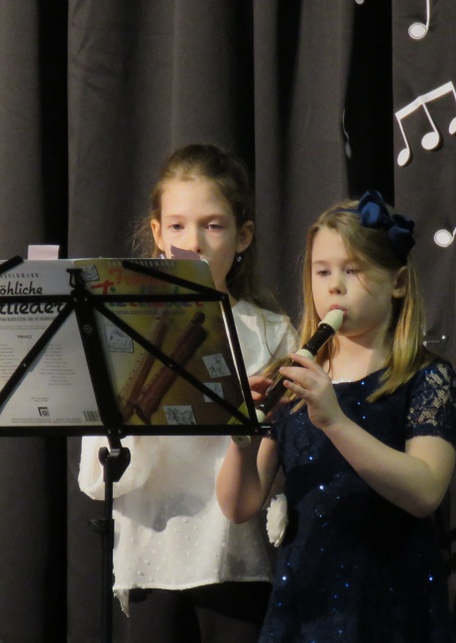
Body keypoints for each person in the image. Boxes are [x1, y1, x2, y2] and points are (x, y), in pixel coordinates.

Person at [216, 191, 456, 642]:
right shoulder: (292, 376)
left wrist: (334, 421)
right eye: (322, 271)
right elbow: (239, 507)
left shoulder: (427, 377)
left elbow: (426, 490)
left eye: (353, 270)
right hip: (302, 612)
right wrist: (242, 436)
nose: (334, 286)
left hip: (391, 612)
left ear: (398, 283)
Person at [78, 144, 297, 642]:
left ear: (243, 236)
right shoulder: (124, 329)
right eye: (176, 226)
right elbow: (98, 477)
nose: (192, 242)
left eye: (212, 226)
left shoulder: (270, 332)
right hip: (152, 561)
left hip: (239, 561)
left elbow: (282, 472)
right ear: (157, 234)